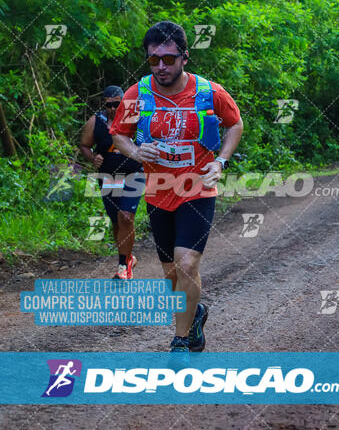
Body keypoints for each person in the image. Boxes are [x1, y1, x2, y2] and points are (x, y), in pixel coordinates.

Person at [110, 21, 243, 352]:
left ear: (185, 57)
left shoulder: (208, 92)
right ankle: (195, 312)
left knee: (187, 265)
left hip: (197, 188)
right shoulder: (137, 94)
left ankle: (180, 341)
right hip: (158, 190)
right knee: (171, 275)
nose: (160, 67)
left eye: (168, 59)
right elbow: (118, 133)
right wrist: (136, 151)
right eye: (153, 60)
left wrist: (220, 161)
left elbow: (235, 123)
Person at [80, 86, 145, 279]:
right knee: (116, 221)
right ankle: (127, 258)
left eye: (117, 104)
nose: (113, 108)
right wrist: (93, 158)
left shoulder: (137, 118)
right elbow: (84, 145)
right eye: (109, 105)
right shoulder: (96, 121)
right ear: (104, 104)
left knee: (126, 216)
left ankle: (123, 268)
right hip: (108, 176)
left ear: (124, 102)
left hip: (134, 174)